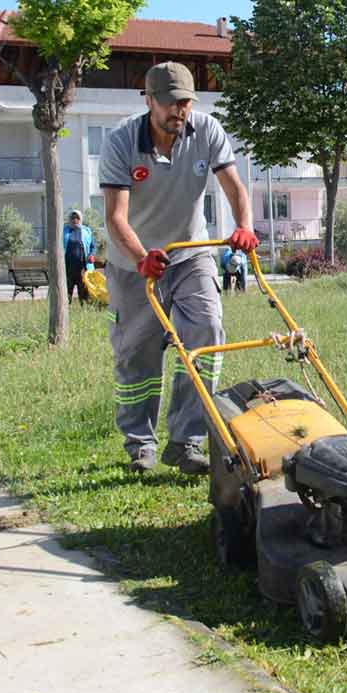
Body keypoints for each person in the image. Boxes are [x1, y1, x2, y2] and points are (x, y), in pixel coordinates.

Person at [100, 61, 258, 475]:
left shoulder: (207, 130)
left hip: (190, 254)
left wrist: (243, 227)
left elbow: (234, 187)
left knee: (206, 334)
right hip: (132, 263)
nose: (178, 111)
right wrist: (141, 258)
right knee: (137, 354)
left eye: (185, 102)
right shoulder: (121, 142)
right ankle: (139, 444)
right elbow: (116, 217)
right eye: (169, 103)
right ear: (149, 101)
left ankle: (185, 441)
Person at [63, 209, 97, 304]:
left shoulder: (86, 231)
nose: (75, 220)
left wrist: (91, 255)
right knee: (66, 293)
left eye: (77, 217)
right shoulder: (63, 231)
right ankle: (65, 312)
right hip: (67, 268)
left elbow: (93, 246)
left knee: (83, 294)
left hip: (83, 268)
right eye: (72, 218)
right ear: (69, 219)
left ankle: (84, 310)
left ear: (80, 219)